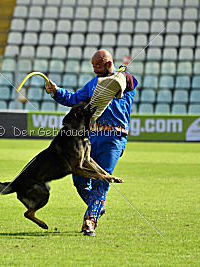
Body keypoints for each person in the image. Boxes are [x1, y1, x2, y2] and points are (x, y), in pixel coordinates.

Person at [45, 49, 138, 236]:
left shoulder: (125, 81)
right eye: (93, 66)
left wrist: (119, 73)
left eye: (98, 66)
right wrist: (55, 92)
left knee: (101, 179)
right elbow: (73, 99)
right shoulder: (93, 84)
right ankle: (96, 206)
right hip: (91, 137)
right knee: (78, 178)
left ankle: (90, 221)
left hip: (114, 139)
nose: (95, 69)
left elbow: (131, 81)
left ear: (109, 64)